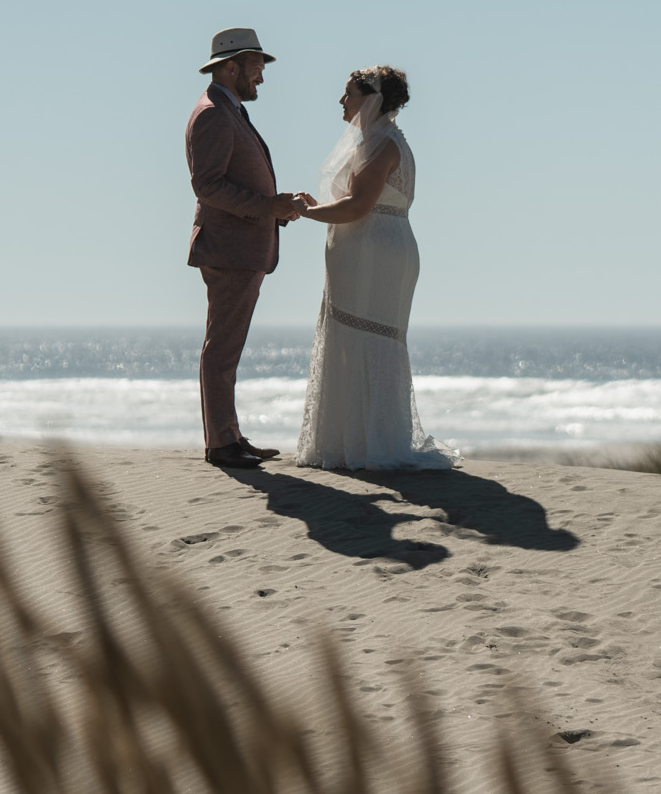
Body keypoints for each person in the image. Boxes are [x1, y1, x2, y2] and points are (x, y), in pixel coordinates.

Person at [294, 66, 459, 471]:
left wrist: (306, 212)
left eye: (348, 93)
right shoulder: (371, 142)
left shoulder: (384, 145)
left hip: (376, 255)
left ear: (370, 99)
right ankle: (353, 442)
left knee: (372, 339)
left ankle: (375, 445)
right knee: (354, 337)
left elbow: (358, 205)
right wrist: (316, 209)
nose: (341, 101)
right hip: (363, 252)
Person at [185, 28, 307, 470]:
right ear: (231, 66)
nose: (261, 78)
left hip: (240, 249)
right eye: (257, 68)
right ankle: (221, 443)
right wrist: (268, 208)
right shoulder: (213, 114)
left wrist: (278, 209)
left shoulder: (227, 110)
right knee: (222, 349)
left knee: (226, 349)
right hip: (229, 251)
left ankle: (229, 435)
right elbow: (208, 186)